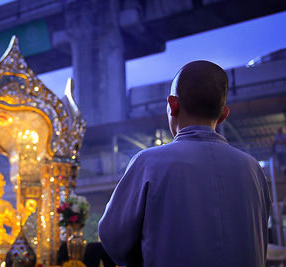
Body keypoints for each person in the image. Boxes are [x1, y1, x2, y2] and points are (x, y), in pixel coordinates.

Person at [98, 60, 271, 267]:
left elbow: (113, 240)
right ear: (223, 114)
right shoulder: (253, 169)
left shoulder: (148, 163)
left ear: (173, 105)